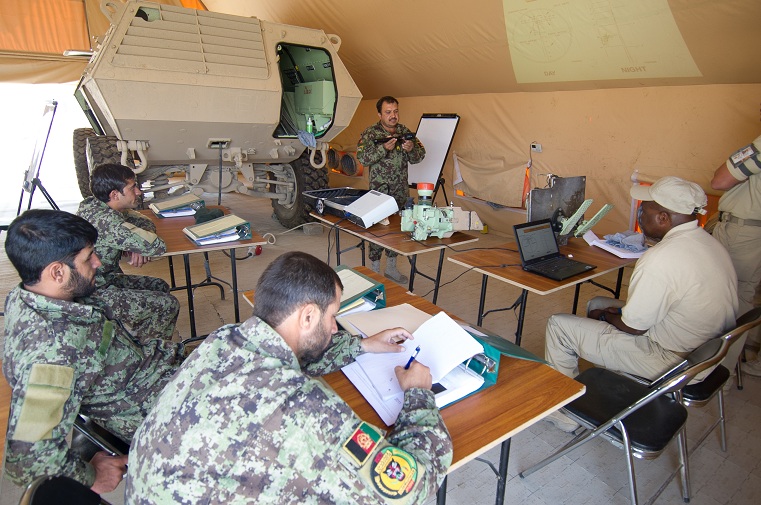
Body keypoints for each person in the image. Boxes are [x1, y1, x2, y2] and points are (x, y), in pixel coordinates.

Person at [125, 251, 452, 504]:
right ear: (308, 315)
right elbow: (411, 489)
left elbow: (293, 355)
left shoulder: (223, 340)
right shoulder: (302, 406)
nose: (336, 328)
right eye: (334, 316)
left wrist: (362, 345)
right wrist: (419, 394)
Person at [2, 210, 184, 493]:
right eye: (88, 258)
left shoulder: (32, 294)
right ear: (57, 271)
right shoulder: (53, 352)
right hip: (155, 404)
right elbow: (27, 460)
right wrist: (90, 476)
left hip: (150, 370)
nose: (98, 262)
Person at [544, 176, 738, 432]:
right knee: (597, 302)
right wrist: (609, 312)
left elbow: (634, 328)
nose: (639, 214)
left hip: (673, 360)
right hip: (705, 352)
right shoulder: (710, 243)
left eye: (643, 210)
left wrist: (608, 316)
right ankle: (604, 381)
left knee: (559, 325)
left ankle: (567, 414)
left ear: (663, 218)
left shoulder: (661, 258)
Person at [77, 163, 179, 341]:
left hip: (103, 280)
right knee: (168, 305)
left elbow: (144, 221)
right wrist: (138, 243)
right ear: (115, 194)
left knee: (160, 286)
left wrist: (135, 244)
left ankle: (135, 341)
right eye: (132, 188)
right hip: (93, 292)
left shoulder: (97, 205)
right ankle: (150, 357)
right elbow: (157, 246)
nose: (138, 192)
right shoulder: (107, 221)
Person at [357, 96, 425, 284]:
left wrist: (411, 149)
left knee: (397, 232)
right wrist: (383, 150)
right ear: (380, 114)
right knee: (377, 232)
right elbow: (363, 158)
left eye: (395, 111)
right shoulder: (370, 133)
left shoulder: (405, 132)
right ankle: (375, 272)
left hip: (400, 193)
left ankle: (392, 269)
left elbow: (420, 156)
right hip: (379, 193)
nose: (392, 116)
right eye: (388, 112)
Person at [711, 134, 761, 376]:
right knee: (743, 298)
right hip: (754, 232)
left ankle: (717, 373)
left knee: (729, 303)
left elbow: (719, 180)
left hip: (743, 232)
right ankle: (724, 372)